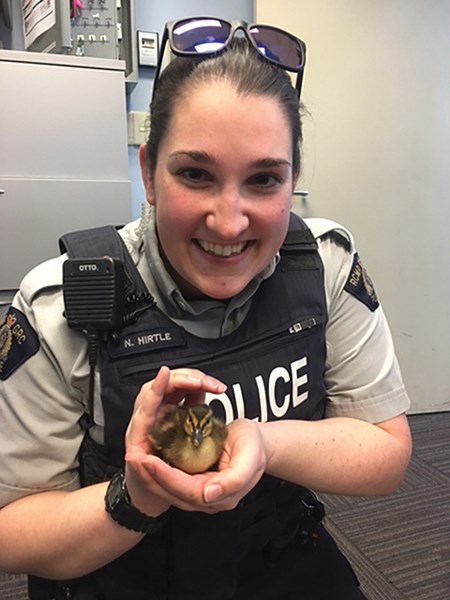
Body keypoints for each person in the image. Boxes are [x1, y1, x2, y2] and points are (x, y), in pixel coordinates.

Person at [0, 16, 412, 600]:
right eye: (196, 174)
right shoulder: (62, 308)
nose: (228, 222)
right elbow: (11, 532)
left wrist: (264, 442)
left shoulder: (323, 268)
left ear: (292, 178)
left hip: (277, 554)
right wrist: (135, 494)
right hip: (120, 572)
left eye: (264, 180)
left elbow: (388, 450)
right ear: (148, 171)